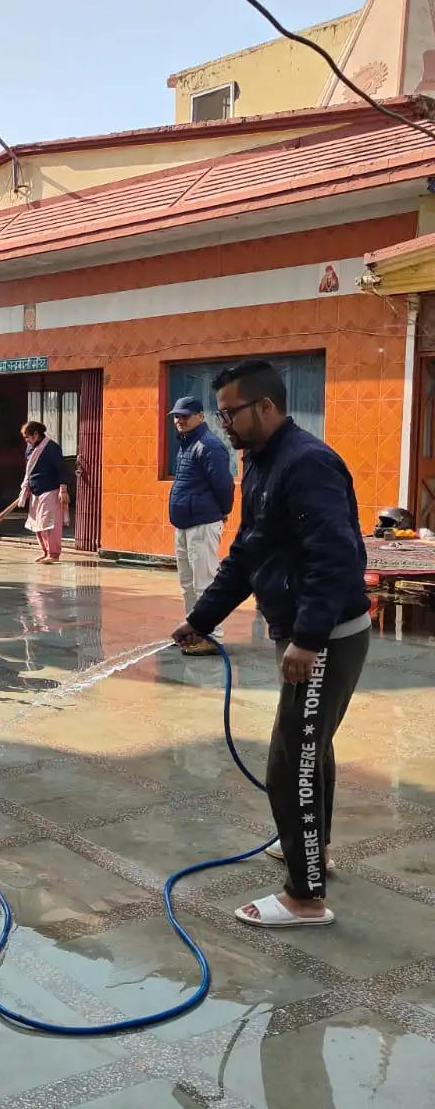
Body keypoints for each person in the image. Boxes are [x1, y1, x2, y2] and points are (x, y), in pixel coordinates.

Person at [172, 358, 370, 929]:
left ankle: (304, 898)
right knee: (311, 750)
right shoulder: (260, 462)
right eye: (221, 413)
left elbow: (334, 557)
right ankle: (314, 851)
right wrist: (202, 618)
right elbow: (247, 553)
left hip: (326, 637)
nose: (223, 423)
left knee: (292, 765)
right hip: (311, 633)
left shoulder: (306, 464)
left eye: (231, 412)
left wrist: (307, 641)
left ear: (266, 406)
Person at [167, 394, 235, 656]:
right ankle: (192, 631)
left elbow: (223, 485)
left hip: (203, 524)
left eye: (185, 415)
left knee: (204, 582)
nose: (180, 420)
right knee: (187, 583)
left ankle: (213, 637)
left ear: (200, 416)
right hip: (184, 525)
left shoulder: (208, 445)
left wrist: (222, 512)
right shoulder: (186, 443)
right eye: (176, 416)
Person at [18, 419, 69, 563]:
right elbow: (29, 470)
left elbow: (61, 468)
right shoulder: (29, 448)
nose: (26, 440)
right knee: (37, 524)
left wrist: (63, 489)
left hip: (50, 489)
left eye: (27, 436)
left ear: (36, 434)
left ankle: (53, 554)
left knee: (49, 523)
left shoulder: (52, 448)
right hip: (35, 490)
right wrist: (26, 487)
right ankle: (45, 551)